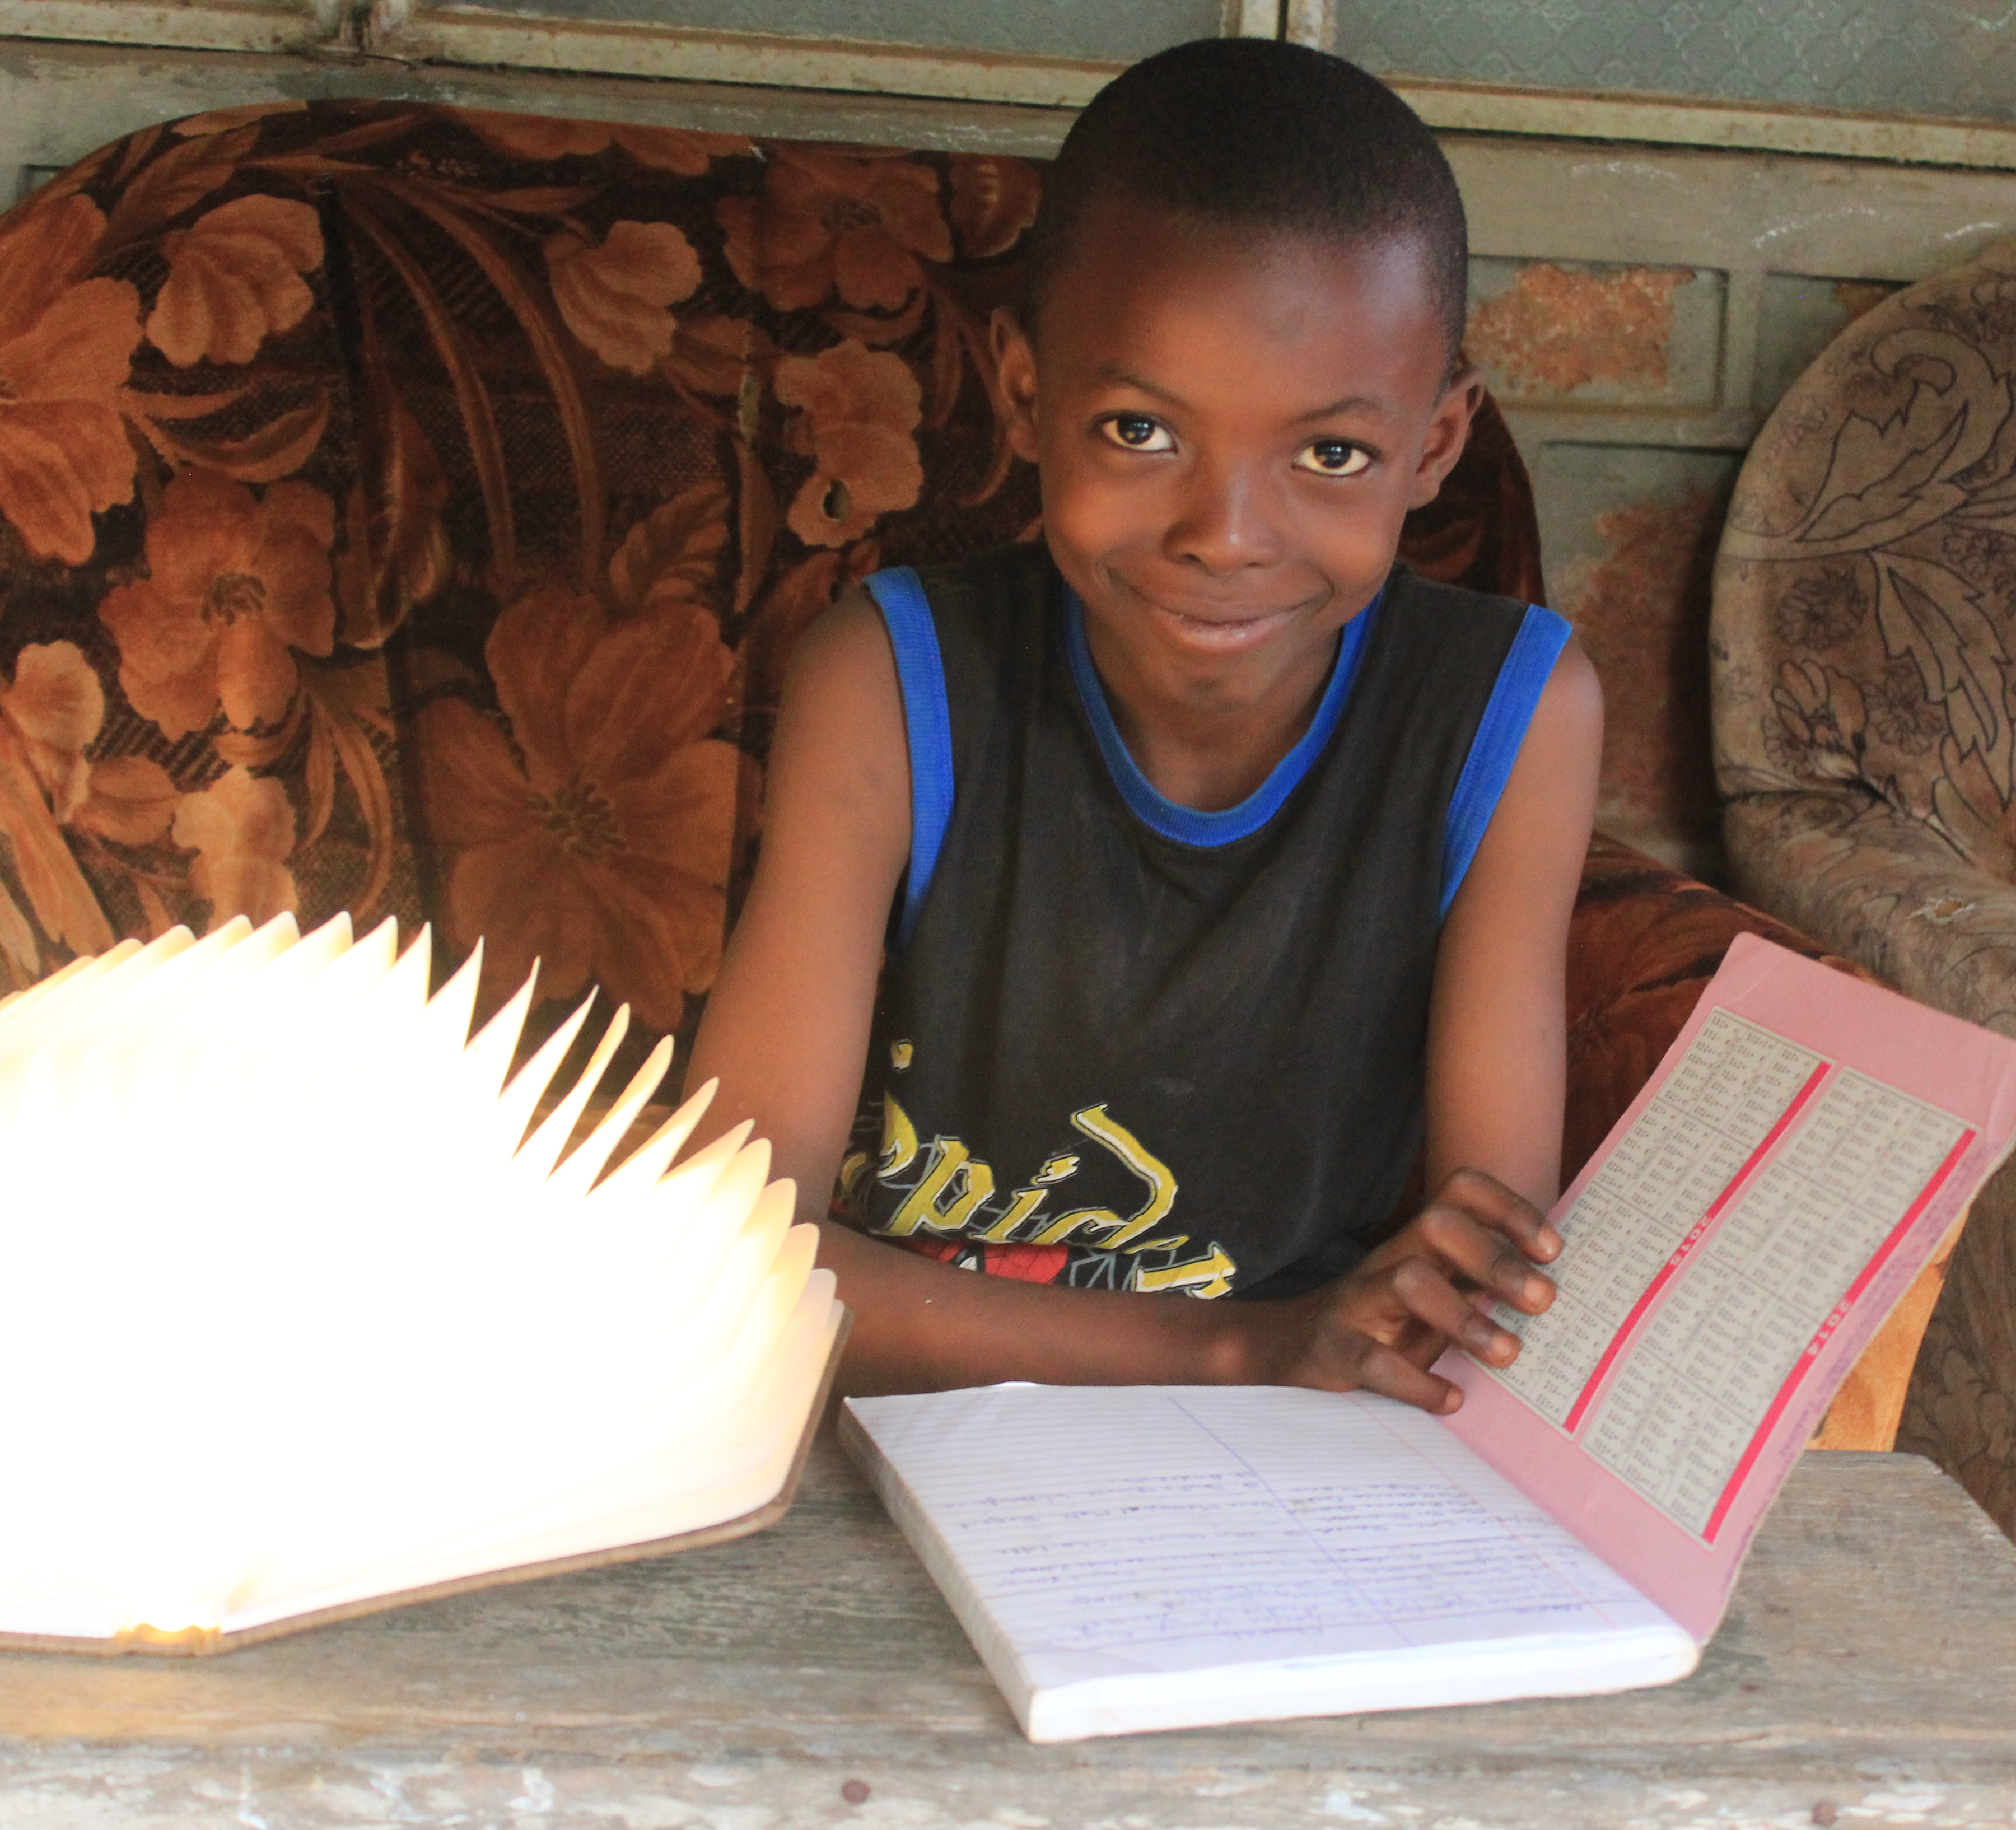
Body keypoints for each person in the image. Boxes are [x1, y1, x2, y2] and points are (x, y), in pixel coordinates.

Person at [685, 36, 1600, 1414]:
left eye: (1331, 455)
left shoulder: (1512, 719)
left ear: (1437, 443)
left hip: (1303, 1459)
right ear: (1022, 396)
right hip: (911, 1435)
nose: (1225, 539)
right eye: (1139, 431)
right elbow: (730, 1246)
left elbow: (1479, 1276)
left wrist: (1327, 1353)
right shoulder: (889, 680)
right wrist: (1239, 1348)